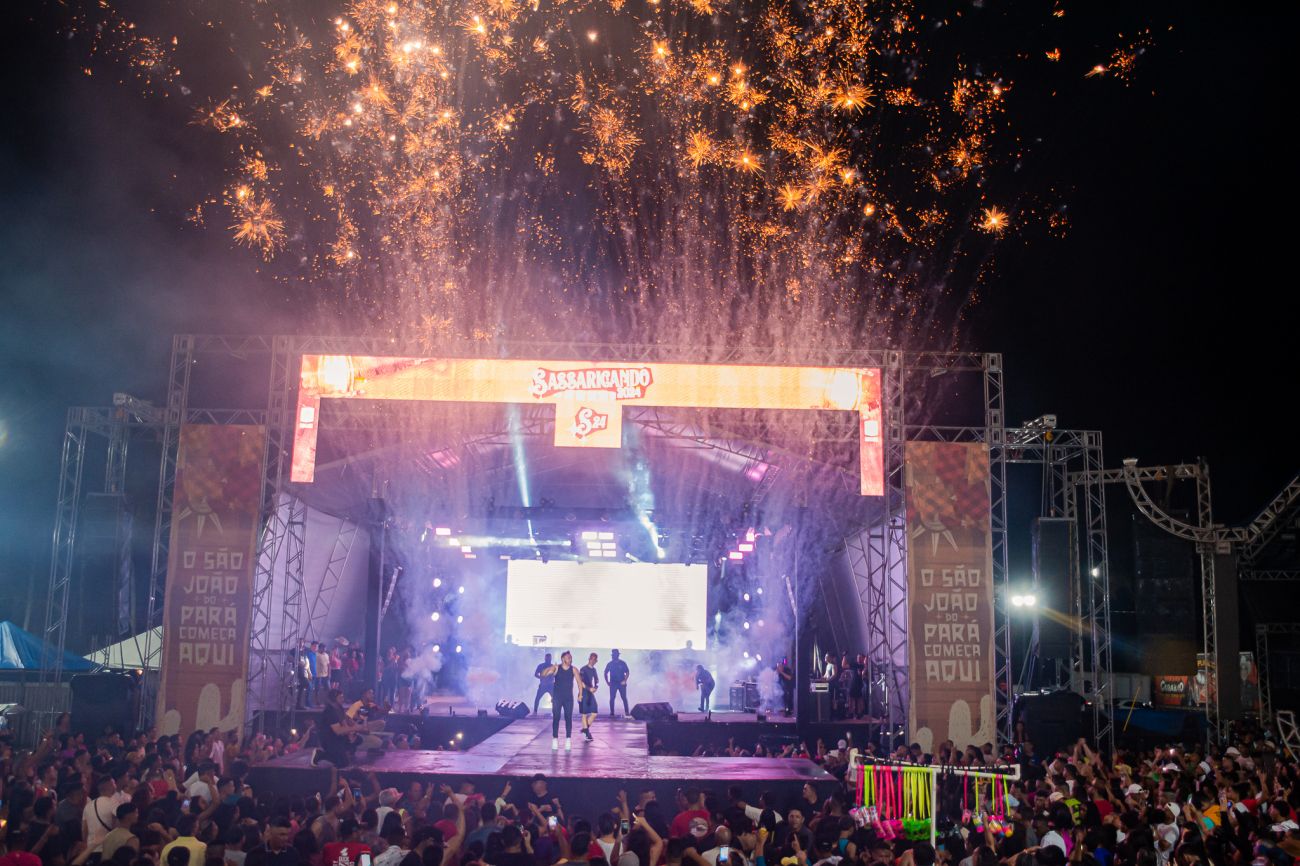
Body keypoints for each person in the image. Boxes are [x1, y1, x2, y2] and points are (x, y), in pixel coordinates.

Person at [542, 651, 580, 750]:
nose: (570, 659)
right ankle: (555, 739)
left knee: (568, 718)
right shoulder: (557, 668)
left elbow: (579, 682)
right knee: (556, 718)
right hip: (557, 698)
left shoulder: (573, 669)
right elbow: (543, 674)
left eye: (571, 658)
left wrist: (580, 693)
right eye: (568, 658)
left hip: (568, 699)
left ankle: (568, 740)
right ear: (563, 659)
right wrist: (550, 668)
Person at [313, 688, 360, 768]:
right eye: (340, 697)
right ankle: (321, 755)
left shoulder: (339, 708)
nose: (343, 699)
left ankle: (342, 752)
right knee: (343, 763)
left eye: (343, 697)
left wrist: (350, 734)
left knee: (357, 739)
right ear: (334, 698)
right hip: (329, 739)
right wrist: (355, 728)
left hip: (336, 737)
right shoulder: (329, 711)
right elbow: (338, 731)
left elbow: (344, 723)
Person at [579, 653, 600, 741]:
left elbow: (597, 680)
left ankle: (585, 729)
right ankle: (587, 734)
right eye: (591, 658)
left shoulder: (594, 670)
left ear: (596, 661)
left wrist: (595, 688)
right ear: (589, 658)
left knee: (594, 713)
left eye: (594, 659)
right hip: (584, 693)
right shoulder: (583, 669)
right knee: (584, 714)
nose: (592, 660)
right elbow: (581, 682)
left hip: (590, 693)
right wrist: (589, 689)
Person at [604, 650, 630, 718]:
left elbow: (627, 672)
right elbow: (605, 673)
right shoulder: (610, 664)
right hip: (613, 684)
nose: (614, 656)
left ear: (618, 655)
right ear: (612, 655)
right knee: (612, 698)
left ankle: (627, 712)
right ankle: (612, 713)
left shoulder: (622, 663)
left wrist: (625, 680)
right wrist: (607, 682)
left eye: (615, 654)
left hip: (621, 683)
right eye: (613, 655)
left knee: (624, 698)